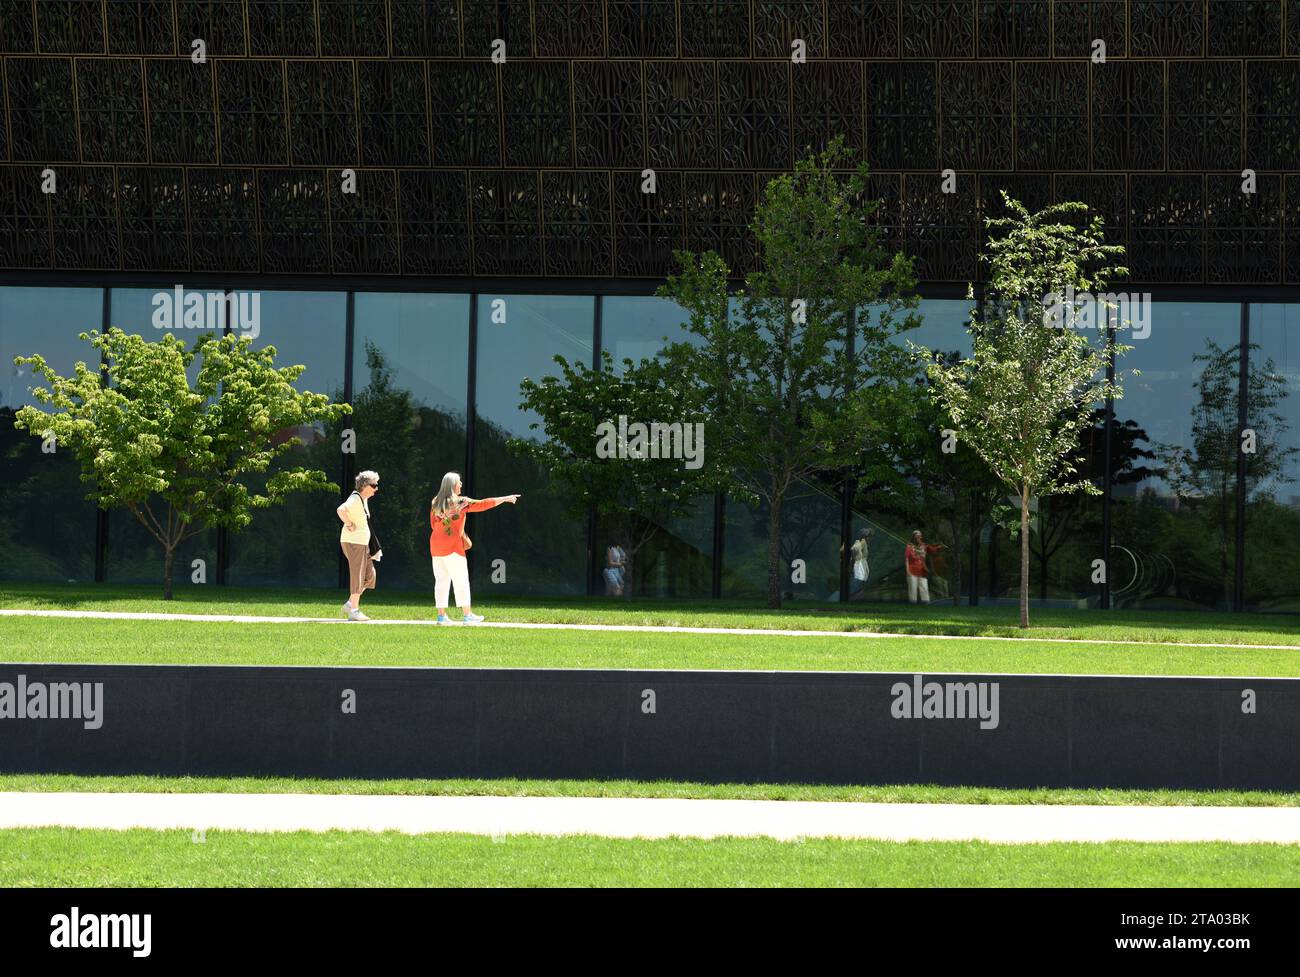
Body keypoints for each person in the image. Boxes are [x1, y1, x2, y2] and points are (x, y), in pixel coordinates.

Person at [429, 471, 519, 624]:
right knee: (461, 581)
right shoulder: (461, 502)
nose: (461, 484)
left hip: (436, 547)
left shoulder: (435, 502)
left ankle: (441, 616)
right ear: (453, 485)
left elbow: (433, 525)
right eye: (460, 482)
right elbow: (483, 504)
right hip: (452, 548)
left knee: (441, 581)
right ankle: (467, 615)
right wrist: (505, 499)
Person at [337, 470, 381, 622]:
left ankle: (350, 603)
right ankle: (354, 610)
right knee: (358, 575)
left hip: (362, 544)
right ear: (365, 486)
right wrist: (349, 523)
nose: (376, 488)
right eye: (374, 485)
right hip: (354, 543)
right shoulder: (355, 498)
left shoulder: (363, 499)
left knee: (370, 576)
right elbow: (341, 510)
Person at [904, 530, 945, 605]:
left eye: (919, 536)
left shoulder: (924, 546)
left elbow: (933, 550)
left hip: (922, 571)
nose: (918, 537)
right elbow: (906, 559)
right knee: (913, 590)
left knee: (924, 589)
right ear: (913, 537)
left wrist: (940, 547)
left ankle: (926, 605)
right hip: (912, 571)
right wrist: (908, 572)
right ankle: (913, 607)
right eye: (916, 536)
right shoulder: (909, 546)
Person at [849, 528, 873, 598]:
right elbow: (854, 549)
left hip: (861, 566)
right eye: (869, 536)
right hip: (859, 567)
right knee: (856, 586)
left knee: (859, 586)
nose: (870, 538)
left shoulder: (864, 543)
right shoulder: (862, 542)